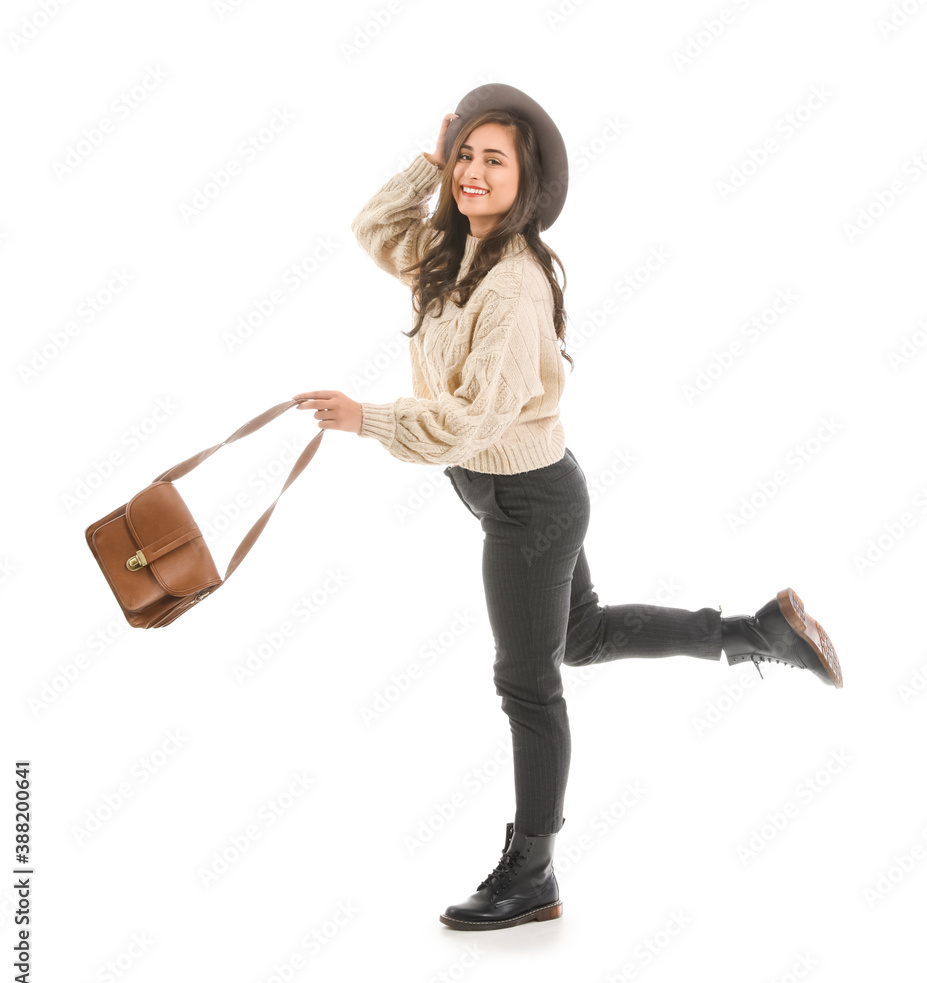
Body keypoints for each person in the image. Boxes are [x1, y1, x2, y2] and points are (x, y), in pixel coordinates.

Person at [291, 84, 843, 932]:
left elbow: (471, 419)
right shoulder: (452, 255)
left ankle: (531, 871)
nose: (473, 173)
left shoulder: (511, 286)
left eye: (492, 160)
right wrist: (428, 164)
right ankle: (756, 633)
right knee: (578, 636)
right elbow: (373, 230)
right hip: (524, 491)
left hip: (528, 506)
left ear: (528, 181)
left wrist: (364, 419)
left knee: (527, 682)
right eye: (465, 154)